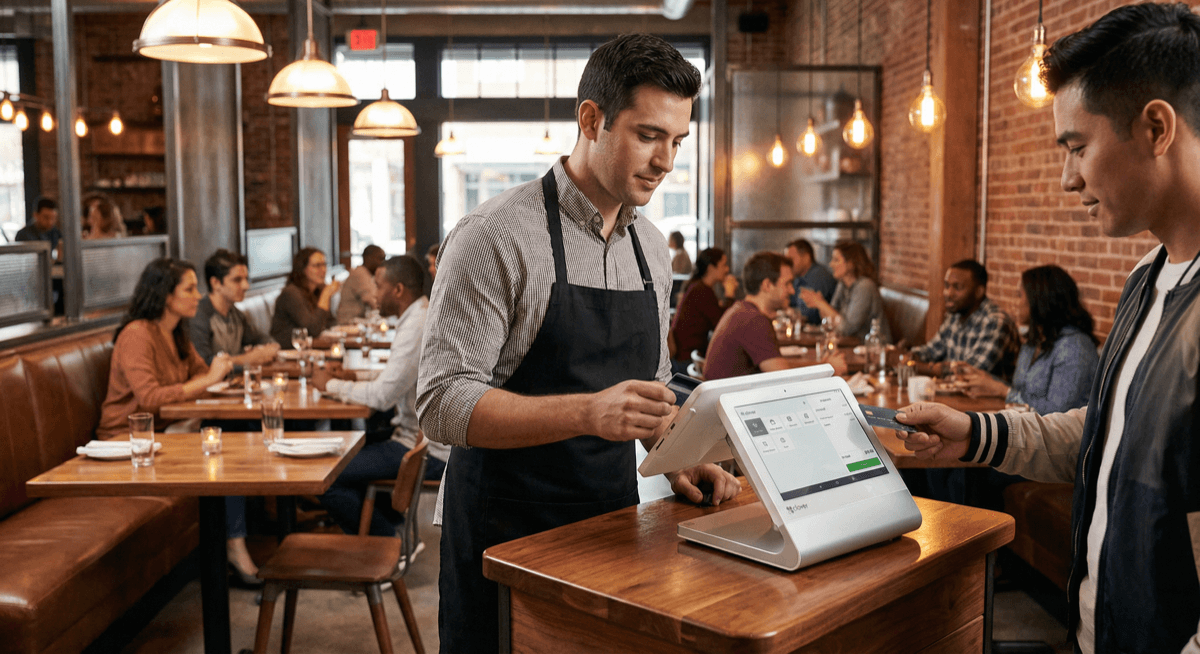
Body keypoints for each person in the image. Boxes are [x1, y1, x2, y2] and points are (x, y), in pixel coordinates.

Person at [416, 34, 740, 653]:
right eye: (648, 135)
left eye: (678, 141)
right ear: (590, 119)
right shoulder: (494, 236)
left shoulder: (653, 251)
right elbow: (441, 404)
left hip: (611, 524)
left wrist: (676, 453)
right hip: (503, 531)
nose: (667, 160)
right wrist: (588, 411)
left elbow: (651, 384)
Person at [895, 6, 1200, 652]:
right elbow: (1105, 437)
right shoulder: (1147, 279)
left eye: (1077, 148)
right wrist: (974, 432)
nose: (1068, 179)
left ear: (1154, 128)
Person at [93, 259, 261, 583]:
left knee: (236, 438)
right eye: (189, 288)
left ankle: (235, 542)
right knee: (224, 455)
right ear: (165, 296)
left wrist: (208, 377)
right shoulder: (137, 334)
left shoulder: (176, 333)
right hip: (126, 442)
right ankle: (234, 548)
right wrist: (210, 377)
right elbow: (150, 398)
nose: (197, 296)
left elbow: (201, 373)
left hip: (165, 434)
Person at [313, 255, 445, 538]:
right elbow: (397, 378)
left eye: (378, 286)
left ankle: (384, 545)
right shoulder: (417, 316)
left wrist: (330, 385)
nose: (373, 294)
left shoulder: (417, 325)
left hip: (423, 450)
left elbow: (383, 396)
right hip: (419, 439)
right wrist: (353, 377)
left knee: (324, 477)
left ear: (397, 290)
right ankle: (390, 532)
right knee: (345, 450)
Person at [957, 265, 1099, 415]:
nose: (1016, 303)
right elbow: (1022, 392)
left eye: (1020, 295)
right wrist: (986, 380)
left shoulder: (1075, 348)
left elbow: (1057, 412)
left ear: (1039, 299)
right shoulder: (1034, 341)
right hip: (1028, 429)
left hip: (1059, 437)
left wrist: (1002, 390)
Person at [705, 251, 846, 380]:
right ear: (767, 285)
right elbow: (785, 379)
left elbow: (778, 365)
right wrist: (827, 369)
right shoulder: (754, 320)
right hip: (730, 404)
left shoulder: (742, 310)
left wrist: (821, 365)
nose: (792, 291)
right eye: (787, 283)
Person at [908, 259, 1018, 379]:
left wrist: (919, 366)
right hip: (954, 395)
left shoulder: (995, 322)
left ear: (979, 292)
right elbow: (931, 351)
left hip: (983, 397)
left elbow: (968, 372)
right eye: (947, 286)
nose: (948, 293)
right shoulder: (956, 314)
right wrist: (909, 356)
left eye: (957, 287)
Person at [190, 249, 280, 368]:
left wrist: (267, 349)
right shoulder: (198, 315)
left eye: (246, 279)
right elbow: (204, 363)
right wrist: (247, 359)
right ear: (216, 283)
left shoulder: (235, 313)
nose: (246, 286)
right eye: (237, 280)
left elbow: (263, 339)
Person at [799, 241, 891, 341]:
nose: (831, 264)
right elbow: (829, 320)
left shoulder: (865, 286)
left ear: (851, 263)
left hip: (872, 347)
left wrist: (820, 303)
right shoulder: (842, 284)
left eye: (836, 260)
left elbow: (846, 329)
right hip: (849, 344)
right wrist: (819, 303)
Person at [669, 247, 737, 374]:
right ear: (711, 268)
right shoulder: (702, 291)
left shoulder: (697, 286)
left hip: (684, 358)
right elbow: (722, 325)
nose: (727, 269)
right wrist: (729, 295)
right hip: (687, 361)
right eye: (724, 265)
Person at [269, 247, 341, 347]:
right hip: (287, 352)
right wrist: (326, 295)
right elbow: (313, 330)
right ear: (303, 269)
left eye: (324, 264)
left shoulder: (317, 290)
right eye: (317, 265)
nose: (323, 270)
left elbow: (331, 323)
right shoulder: (291, 293)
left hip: (309, 350)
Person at [785, 238, 836, 324]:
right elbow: (789, 303)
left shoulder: (819, 276)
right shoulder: (798, 277)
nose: (788, 265)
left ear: (806, 257)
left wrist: (790, 312)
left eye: (791, 260)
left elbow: (808, 315)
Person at [336, 244, 385, 323]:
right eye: (380, 258)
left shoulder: (365, 273)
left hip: (356, 322)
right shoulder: (360, 274)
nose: (383, 263)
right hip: (347, 324)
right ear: (368, 258)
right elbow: (375, 303)